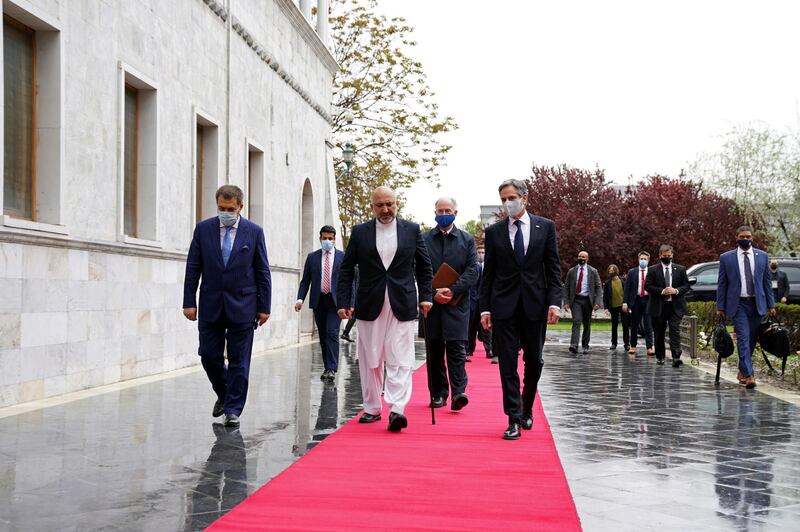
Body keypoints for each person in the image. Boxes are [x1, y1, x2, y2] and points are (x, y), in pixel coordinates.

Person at [336, 186, 434, 432]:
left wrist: (426, 296)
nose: (386, 209)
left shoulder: (411, 230)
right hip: (370, 303)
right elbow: (346, 270)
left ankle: (397, 409)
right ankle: (372, 407)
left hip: (402, 302)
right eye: (380, 205)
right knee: (371, 356)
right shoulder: (360, 233)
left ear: (396, 203)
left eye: (390, 203)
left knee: (400, 357)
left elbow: (424, 266)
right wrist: (343, 302)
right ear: (372, 207)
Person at [480, 179, 562, 440]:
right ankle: (513, 417)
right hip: (504, 306)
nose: (508, 202)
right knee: (507, 363)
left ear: (525, 198)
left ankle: (527, 406)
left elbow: (553, 268)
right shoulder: (494, 233)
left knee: (534, 361)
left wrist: (554, 302)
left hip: (535, 305)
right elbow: (488, 274)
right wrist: (484, 309)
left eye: (512, 197)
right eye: (503, 198)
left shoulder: (545, 227)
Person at [183, 185, 271, 427]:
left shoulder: (253, 232)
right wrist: (189, 301)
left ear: (240, 207)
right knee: (208, 355)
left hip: (244, 305)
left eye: (230, 209)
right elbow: (193, 266)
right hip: (211, 304)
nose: (226, 212)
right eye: (222, 208)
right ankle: (224, 393)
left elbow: (263, 270)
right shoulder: (203, 230)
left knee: (239, 361)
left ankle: (233, 409)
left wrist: (265, 306)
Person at [422, 196, 479, 411]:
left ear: (455, 213)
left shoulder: (466, 240)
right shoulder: (424, 239)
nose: (443, 214)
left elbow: (472, 271)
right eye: (440, 210)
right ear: (434, 212)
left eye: (447, 210)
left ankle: (458, 392)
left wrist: (453, 289)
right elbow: (419, 270)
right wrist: (432, 292)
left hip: (458, 304)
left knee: (456, 350)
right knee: (434, 351)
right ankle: (438, 393)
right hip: (432, 304)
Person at [717, 226, 776, 388]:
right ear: (736, 237)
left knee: (751, 340)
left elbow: (767, 283)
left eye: (748, 236)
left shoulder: (762, 256)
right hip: (738, 304)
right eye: (742, 236)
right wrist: (720, 306)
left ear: (752, 238)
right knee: (743, 337)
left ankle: (742, 370)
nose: (746, 239)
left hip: (757, 303)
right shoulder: (726, 258)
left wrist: (771, 304)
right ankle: (750, 375)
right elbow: (722, 284)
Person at [296, 225, 346, 382]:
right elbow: (305, 281)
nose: (327, 241)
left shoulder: (342, 257)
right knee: (323, 335)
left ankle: (332, 368)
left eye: (330, 238)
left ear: (334, 239)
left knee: (332, 333)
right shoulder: (312, 257)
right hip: (319, 301)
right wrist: (300, 299)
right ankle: (327, 366)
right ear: (320, 238)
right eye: (324, 238)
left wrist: (350, 304)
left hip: (335, 302)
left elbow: (348, 282)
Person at [645, 245, 689, 367]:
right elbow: (647, 286)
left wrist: (676, 291)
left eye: (669, 255)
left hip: (675, 306)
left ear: (672, 255)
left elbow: (686, 286)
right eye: (665, 256)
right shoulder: (653, 270)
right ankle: (660, 356)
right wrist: (662, 291)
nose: (667, 257)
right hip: (658, 306)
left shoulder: (680, 269)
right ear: (660, 256)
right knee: (659, 332)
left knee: (674, 329)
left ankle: (676, 356)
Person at [563, 250, 603, 354]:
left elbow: (598, 287)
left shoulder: (593, 271)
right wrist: (566, 302)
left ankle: (585, 345)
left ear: (587, 259)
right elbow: (566, 287)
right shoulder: (572, 271)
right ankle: (574, 345)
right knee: (576, 321)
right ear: (578, 257)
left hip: (588, 301)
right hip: (576, 300)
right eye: (580, 256)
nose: (582, 258)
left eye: (584, 257)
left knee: (587, 324)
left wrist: (597, 302)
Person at [623, 251, 655, 356]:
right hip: (635, 300)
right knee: (634, 324)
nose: (643, 261)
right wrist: (625, 302)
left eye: (645, 259)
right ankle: (633, 346)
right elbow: (627, 288)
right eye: (641, 259)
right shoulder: (632, 272)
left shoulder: (652, 272)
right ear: (638, 259)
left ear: (648, 260)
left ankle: (649, 347)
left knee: (648, 324)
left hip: (648, 300)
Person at [468, 243, 495, 363]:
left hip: (485, 301)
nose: (481, 255)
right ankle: (469, 350)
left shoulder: (490, 266)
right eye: (479, 252)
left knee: (486, 328)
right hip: (473, 300)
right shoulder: (473, 266)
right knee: (471, 327)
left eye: (483, 253)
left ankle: (489, 350)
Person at [603, 264, 629, 351]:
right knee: (614, 326)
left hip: (623, 306)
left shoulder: (623, 280)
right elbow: (605, 297)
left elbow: (627, 293)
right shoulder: (607, 283)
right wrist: (606, 308)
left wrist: (628, 304)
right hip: (613, 307)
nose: (611, 272)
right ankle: (614, 343)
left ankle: (626, 344)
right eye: (610, 271)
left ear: (616, 271)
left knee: (625, 325)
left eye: (613, 270)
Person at [340, 265, 358, 342]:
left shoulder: (354, 268)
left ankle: (346, 333)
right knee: (354, 315)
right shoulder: (356, 269)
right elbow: (355, 284)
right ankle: (345, 333)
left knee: (354, 315)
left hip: (355, 295)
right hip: (357, 295)